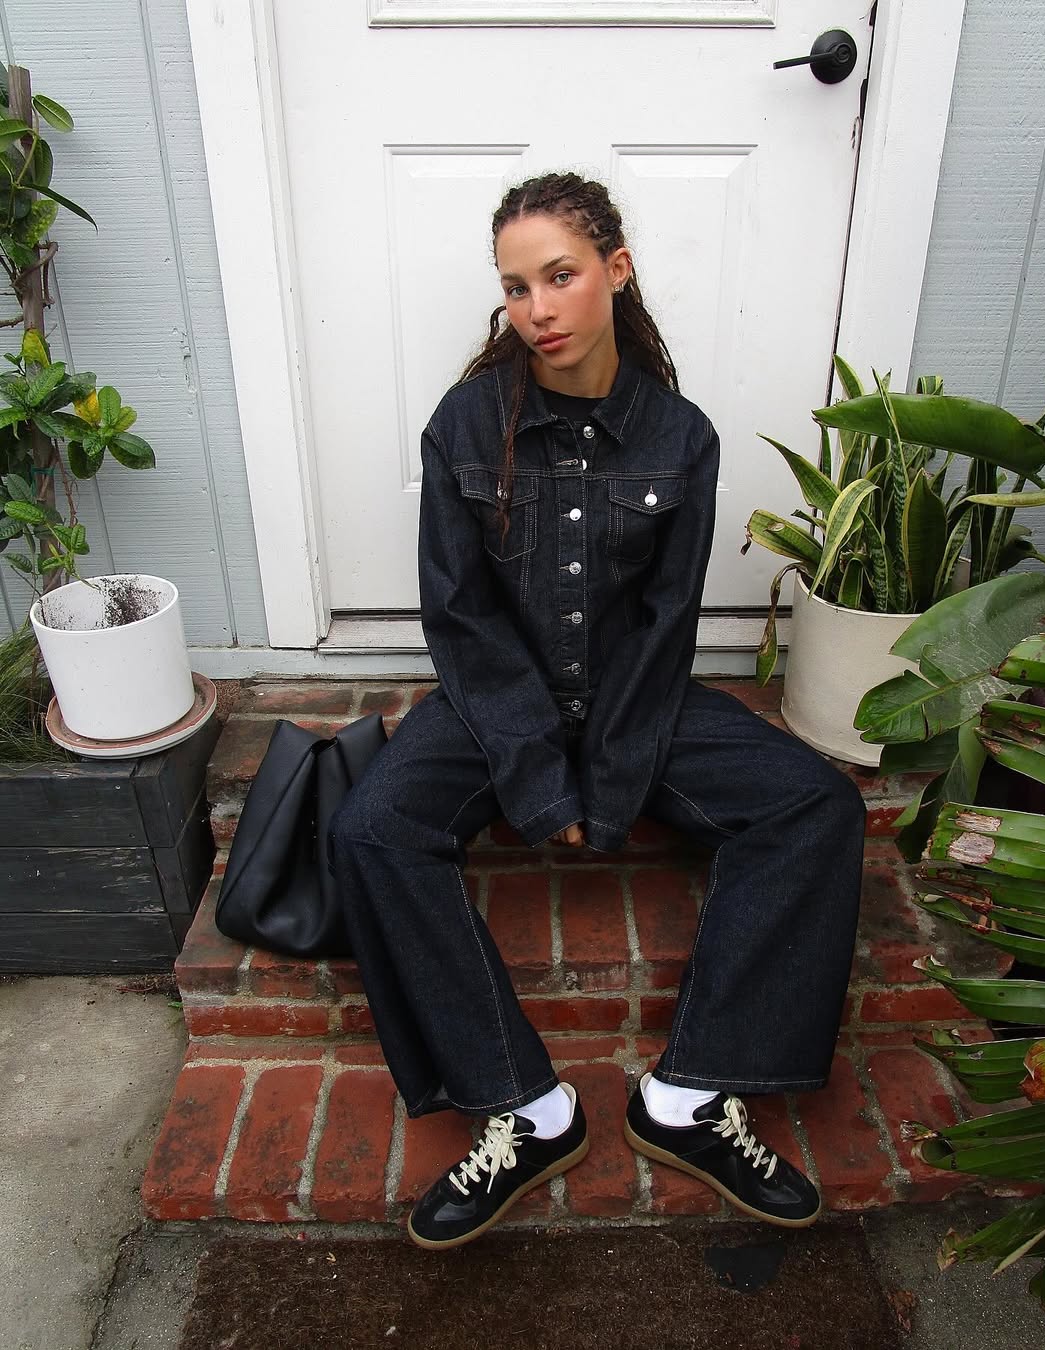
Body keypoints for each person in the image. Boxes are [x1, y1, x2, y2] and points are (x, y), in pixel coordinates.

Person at [329, 170, 866, 1252]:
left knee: (817, 806)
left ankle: (689, 1097)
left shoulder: (681, 436)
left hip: (635, 699)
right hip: (497, 701)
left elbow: (667, 628)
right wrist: (537, 776)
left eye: (560, 275)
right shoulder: (466, 423)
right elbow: (460, 617)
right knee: (373, 829)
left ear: (616, 270)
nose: (537, 308)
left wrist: (611, 787)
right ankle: (526, 1111)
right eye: (515, 286)